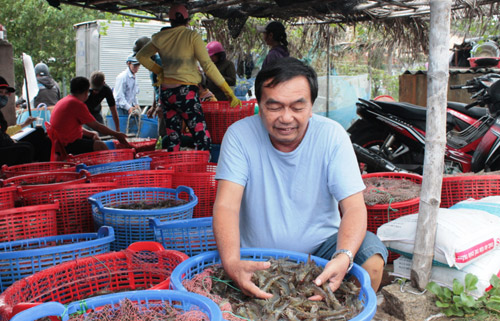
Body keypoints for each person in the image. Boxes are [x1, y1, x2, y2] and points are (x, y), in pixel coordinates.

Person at [213, 58, 387, 299]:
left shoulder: (332, 136)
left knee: (372, 259)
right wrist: (232, 262)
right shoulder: (239, 136)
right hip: (257, 257)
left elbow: (354, 208)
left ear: (312, 106)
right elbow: (226, 206)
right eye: (274, 107)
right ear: (259, 104)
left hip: (320, 251)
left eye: (297, 107)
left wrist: (343, 256)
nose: (286, 118)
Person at [136, 4, 241, 151]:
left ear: (170, 20)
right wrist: (228, 92)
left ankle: (176, 171)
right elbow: (208, 66)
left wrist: (160, 71)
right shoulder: (191, 36)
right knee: (202, 138)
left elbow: (141, 56)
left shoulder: (160, 37)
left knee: (173, 139)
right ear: (187, 20)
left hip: (166, 93)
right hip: (186, 94)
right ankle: (202, 171)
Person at [51, 76, 130, 155]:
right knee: (101, 146)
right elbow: (97, 126)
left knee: (94, 137)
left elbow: (71, 127)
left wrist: (90, 133)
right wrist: (116, 134)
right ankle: (111, 165)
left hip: (61, 140)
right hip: (66, 144)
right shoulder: (77, 104)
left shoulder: (65, 100)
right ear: (85, 92)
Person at [0, 76, 51, 165]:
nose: (3, 96)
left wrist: (24, 124)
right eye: (0, 92)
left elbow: (4, 131)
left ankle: (44, 168)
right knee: (26, 149)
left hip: (5, 141)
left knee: (39, 133)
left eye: (5, 93)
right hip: (3, 145)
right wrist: (11, 141)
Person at [133, 36, 166, 138]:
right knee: (161, 133)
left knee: (165, 134)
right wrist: (154, 105)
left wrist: (160, 105)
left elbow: (163, 84)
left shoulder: (159, 61)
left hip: (166, 104)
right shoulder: (150, 64)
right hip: (161, 103)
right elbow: (155, 86)